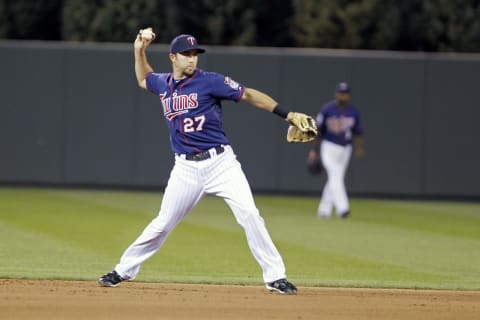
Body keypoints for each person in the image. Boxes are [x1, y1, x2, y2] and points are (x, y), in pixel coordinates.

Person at [97, 29, 314, 294]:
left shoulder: (210, 81)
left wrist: (287, 114)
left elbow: (247, 94)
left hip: (221, 163)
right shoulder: (163, 84)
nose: (192, 59)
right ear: (173, 58)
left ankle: (275, 276)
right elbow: (143, 78)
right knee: (162, 223)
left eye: (195, 54)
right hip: (185, 168)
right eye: (186, 54)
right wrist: (139, 50)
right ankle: (123, 271)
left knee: (250, 215)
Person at [308, 82, 365, 219]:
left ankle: (324, 210)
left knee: (336, 178)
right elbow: (318, 131)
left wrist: (360, 148)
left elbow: (358, 132)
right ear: (336, 93)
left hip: (346, 148)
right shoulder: (327, 110)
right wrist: (314, 150)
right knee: (335, 175)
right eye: (340, 93)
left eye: (345, 93)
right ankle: (342, 208)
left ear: (348, 95)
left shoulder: (353, 111)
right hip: (329, 146)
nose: (342, 95)